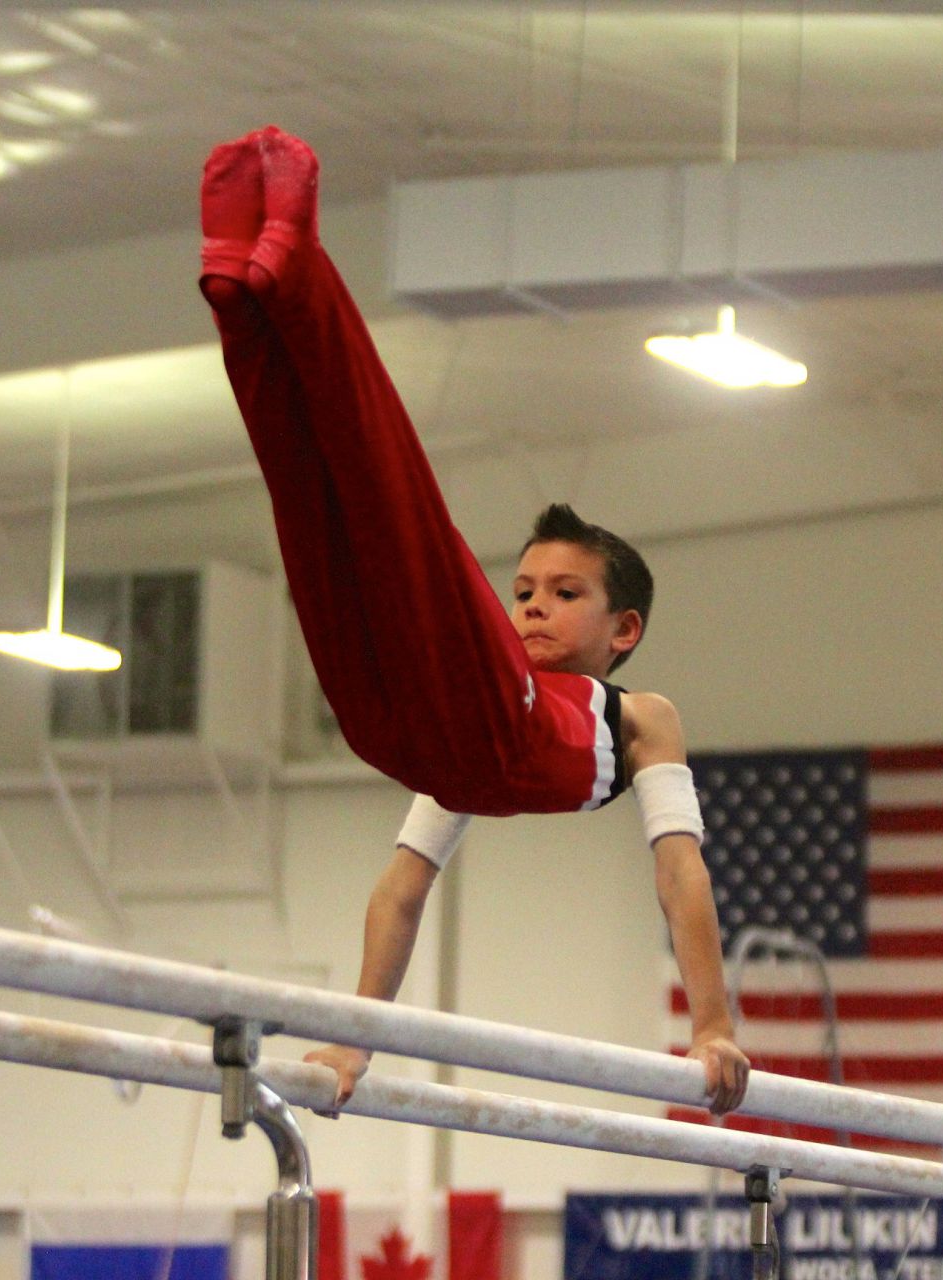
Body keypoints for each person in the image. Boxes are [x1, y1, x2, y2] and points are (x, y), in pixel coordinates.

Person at [197, 126, 749, 1115]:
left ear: (623, 630)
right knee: (346, 495)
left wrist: (710, 1020)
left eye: (564, 593)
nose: (534, 603)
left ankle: (278, 283)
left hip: (442, 725)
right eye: (526, 587)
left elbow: (680, 876)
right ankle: (251, 284)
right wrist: (357, 1032)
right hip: (426, 730)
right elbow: (400, 891)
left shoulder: (641, 717)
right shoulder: (489, 673)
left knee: (340, 502)